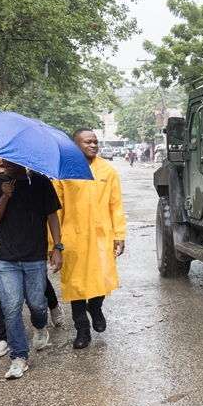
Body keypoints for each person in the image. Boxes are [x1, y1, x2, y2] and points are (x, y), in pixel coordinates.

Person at [0, 159, 63, 379]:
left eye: (11, 162)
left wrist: (57, 247)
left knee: (37, 303)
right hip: (5, 258)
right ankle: (19, 357)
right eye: (3, 163)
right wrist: (5, 196)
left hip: (35, 257)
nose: (6, 166)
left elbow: (52, 216)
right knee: (11, 307)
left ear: (22, 161)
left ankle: (40, 325)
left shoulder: (40, 182)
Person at [55, 129, 127, 350]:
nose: (93, 145)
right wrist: (54, 245)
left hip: (100, 237)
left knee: (101, 279)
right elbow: (56, 211)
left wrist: (119, 234)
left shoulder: (107, 170)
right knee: (76, 286)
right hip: (73, 237)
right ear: (76, 145)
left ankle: (95, 307)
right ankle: (82, 330)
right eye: (88, 142)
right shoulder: (63, 173)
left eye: (95, 142)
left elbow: (115, 205)